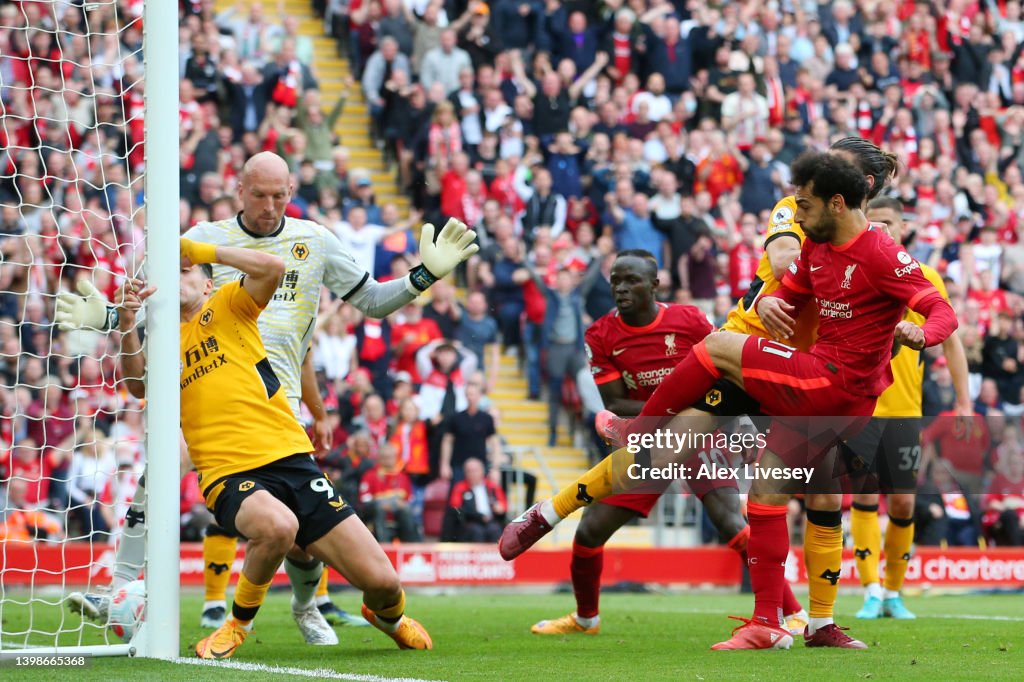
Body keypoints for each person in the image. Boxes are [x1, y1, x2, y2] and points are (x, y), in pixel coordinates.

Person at [498, 152, 959, 652]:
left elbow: (938, 309)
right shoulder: (801, 217)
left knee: (812, 489)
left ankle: (817, 617)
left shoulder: (876, 249)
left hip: (818, 380)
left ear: (852, 192)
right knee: (752, 488)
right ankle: (781, 623)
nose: (799, 215)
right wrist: (765, 299)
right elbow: (787, 265)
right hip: (771, 363)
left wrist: (921, 331)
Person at [56, 152, 477, 635]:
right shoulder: (200, 242)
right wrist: (109, 319)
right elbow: (152, 307)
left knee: (299, 529)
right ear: (240, 190)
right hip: (205, 389)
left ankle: (305, 606)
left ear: (292, 192)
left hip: (279, 405)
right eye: (259, 195)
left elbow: (371, 303)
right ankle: (124, 592)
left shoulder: (314, 240)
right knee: (159, 479)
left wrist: (424, 275)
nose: (269, 206)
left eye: (279, 196)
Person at [118, 238, 432, 658]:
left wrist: (203, 251)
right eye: (168, 275)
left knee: (383, 583)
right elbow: (137, 385)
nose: (176, 279)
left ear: (208, 285)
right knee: (278, 527)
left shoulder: (229, 303)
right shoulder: (159, 337)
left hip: (292, 459)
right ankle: (236, 623)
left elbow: (272, 268)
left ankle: (388, 619)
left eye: (184, 271)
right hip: (227, 471)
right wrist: (124, 320)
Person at [530, 249, 803, 636]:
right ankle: (585, 619)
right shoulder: (600, 334)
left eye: (631, 281)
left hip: (700, 430)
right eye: (616, 282)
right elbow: (614, 402)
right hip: (648, 439)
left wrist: (729, 425)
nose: (621, 289)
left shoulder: (689, 320)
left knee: (730, 521)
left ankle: (793, 613)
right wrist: (678, 401)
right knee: (590, 531)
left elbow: (726, 374)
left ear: (655, 285)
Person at [847, 197, 972, 621]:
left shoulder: (923, 277)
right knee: (863, 498)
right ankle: (869, 590)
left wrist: (964, 400)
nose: (880, 230)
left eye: (888, 224)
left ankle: (894, 593)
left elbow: (951, 340)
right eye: (874, 223)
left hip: (904, 411)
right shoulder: (855, 272)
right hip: (859, 407)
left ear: (903, 229)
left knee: (902, 504)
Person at [445, 458, 507, 542]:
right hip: (470, 522)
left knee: (495, 530)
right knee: (476, 531)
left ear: (482, 471)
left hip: (491, 521)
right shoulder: (460, 487)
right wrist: (478, 516)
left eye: (475, 470)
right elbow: (456, 508)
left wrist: (499, 508)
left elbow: (503, 505)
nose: (473, 474)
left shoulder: (492, 486)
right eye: (469, 471)